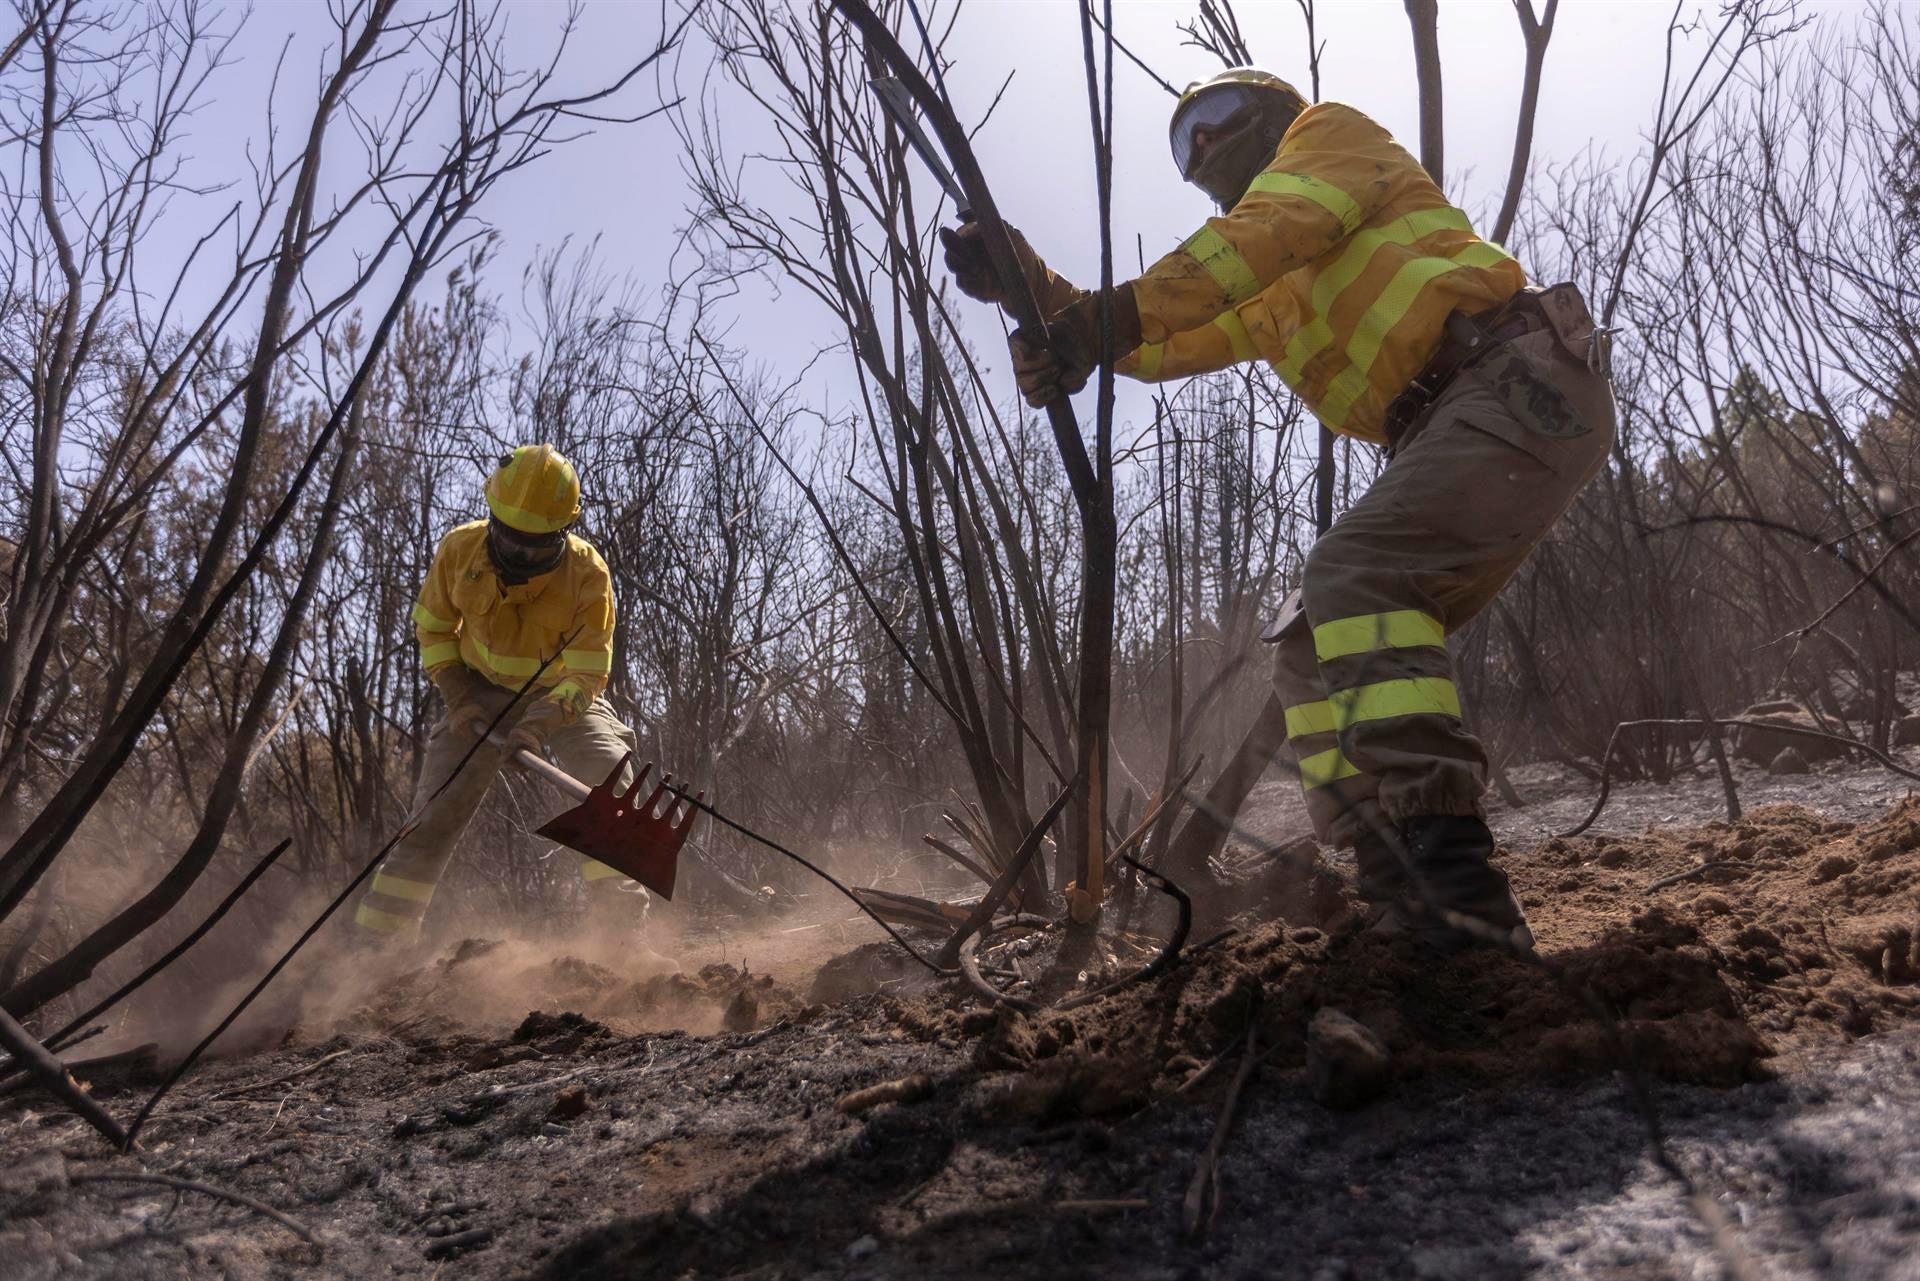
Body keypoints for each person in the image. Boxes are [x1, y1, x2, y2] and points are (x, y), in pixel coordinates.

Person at [941, 68, 1618, 950]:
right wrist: (1033, 289)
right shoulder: (1268, 288)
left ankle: (1462, 894)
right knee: (1307, 639)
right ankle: (1394, 881)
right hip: (1458, 421)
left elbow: (1250, 243)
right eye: (1185, 146)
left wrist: (1100, 323)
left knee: (1357, 571)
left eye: (1217, 118)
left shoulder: (1329, 138)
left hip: (1514, 381)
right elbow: (1162, 339)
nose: (1205, 147)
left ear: (1275, 111)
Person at [353, 444, 668, 962]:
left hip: (564, 699)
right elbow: (433, 629)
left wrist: (540, 724)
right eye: (511, 540)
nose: (520, 555)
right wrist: (457, 694)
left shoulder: (588, 575)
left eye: (536, 545)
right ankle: (376, 957)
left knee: (612, 789)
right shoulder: (459, 550)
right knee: (430, 820)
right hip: (476, 694)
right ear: (493, 517)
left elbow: (590, 670)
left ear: (563, 532)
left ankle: (623, 946)